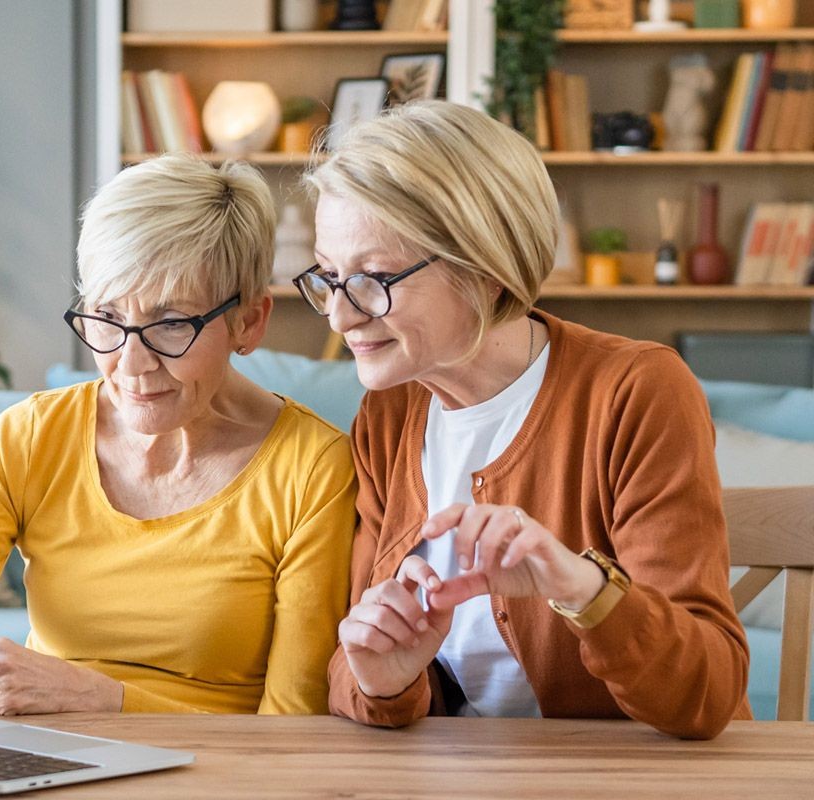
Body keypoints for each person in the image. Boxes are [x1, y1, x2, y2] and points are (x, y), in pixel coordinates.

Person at [292, 100, 749, 739]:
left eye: (373, 278)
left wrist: (585, 589)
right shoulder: (389, 413)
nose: (340, 318)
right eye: (329, 276)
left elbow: (706, 694)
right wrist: (384, 678)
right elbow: (354, 665)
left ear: (484, 266)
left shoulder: (635, 392)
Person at [0, 154, 356, 716]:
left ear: (248, 321)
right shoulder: (29, 437)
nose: (131, 363)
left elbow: (295, 732)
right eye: (107, 316)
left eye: (171, 322)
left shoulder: (312, 470)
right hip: (44, 760)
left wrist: (105, 700)